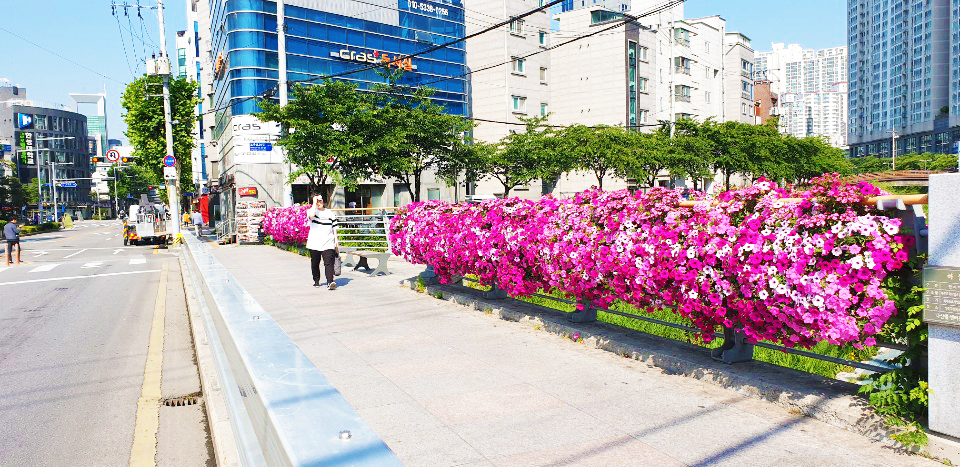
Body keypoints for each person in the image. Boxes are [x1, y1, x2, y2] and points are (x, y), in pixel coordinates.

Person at [305, 195, 339, 290]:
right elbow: (311, 216)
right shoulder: (311, 211)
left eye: (320, 201)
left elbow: (334, 228)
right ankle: (316, 280)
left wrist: (336, 240)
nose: (319, 203)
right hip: (314, 242)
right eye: (317, 201)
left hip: (328, 241)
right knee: (315, 263)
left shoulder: (329, 213)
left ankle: (330, 282)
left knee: (329, 262)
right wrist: (314, 204)